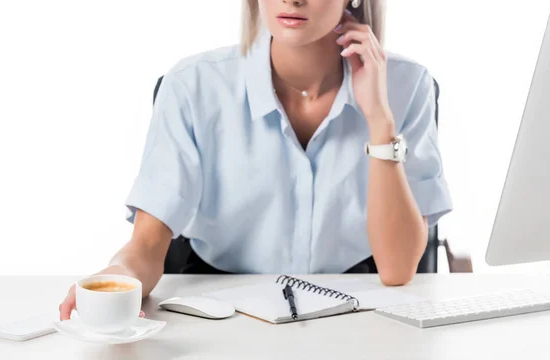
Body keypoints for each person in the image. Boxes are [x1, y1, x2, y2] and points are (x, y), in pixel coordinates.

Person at [59, 0, 452, 320]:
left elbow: (399, 270)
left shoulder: (406, 86)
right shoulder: (194, 88)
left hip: (354, 315)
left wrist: (380, 122)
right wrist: (115, 280)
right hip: (221, 316)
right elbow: (145, 247)